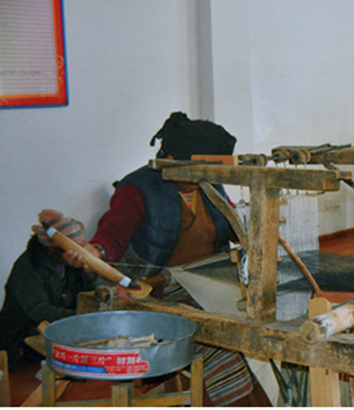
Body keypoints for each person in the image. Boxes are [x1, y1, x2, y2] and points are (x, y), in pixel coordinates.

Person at [63, 111, 271, 406]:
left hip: (206, 281)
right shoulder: (138, 188)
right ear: (171, 159)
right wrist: (95, 252)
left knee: (260, 330)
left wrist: (259, 232)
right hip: (155, 288)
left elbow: (232, 223)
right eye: (198, 170)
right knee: (223, 344)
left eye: (211, 171)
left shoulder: (209, 183)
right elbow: (113, 233)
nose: (205, 178)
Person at [0, 210, 96, 371]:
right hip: (21, 341)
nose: (80, 254)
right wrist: (87, 317)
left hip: (57, 331)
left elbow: (90, 291)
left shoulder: (71, 262)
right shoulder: (29, 267)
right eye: (75, 249)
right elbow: (41, 312)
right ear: (53, 249)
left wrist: (100, 301)